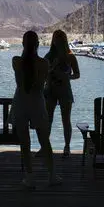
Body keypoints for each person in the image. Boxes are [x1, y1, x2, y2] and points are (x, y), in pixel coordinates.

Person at [8, 31, 60, 189]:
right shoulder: (44, 64)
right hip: (37, 102)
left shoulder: (16, 61)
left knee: (25, 143)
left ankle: (29, 177)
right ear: (38, 44)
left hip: (21, 102)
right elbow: (41, 84)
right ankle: (52, 175)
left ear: (23, 44)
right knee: (44, 141)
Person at [42, 29, 80, 157]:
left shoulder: (70, 56)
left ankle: (67, 147)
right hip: (50, 90)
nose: (57, 41)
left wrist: (67, 77)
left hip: (65, 90)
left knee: (66, 120)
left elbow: (77, 74)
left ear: (64, 40)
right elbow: (42, 74)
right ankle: (45, 147)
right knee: (48, 119)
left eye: (59, 39)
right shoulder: (48, 56)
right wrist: (52, 68)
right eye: (55, 38)